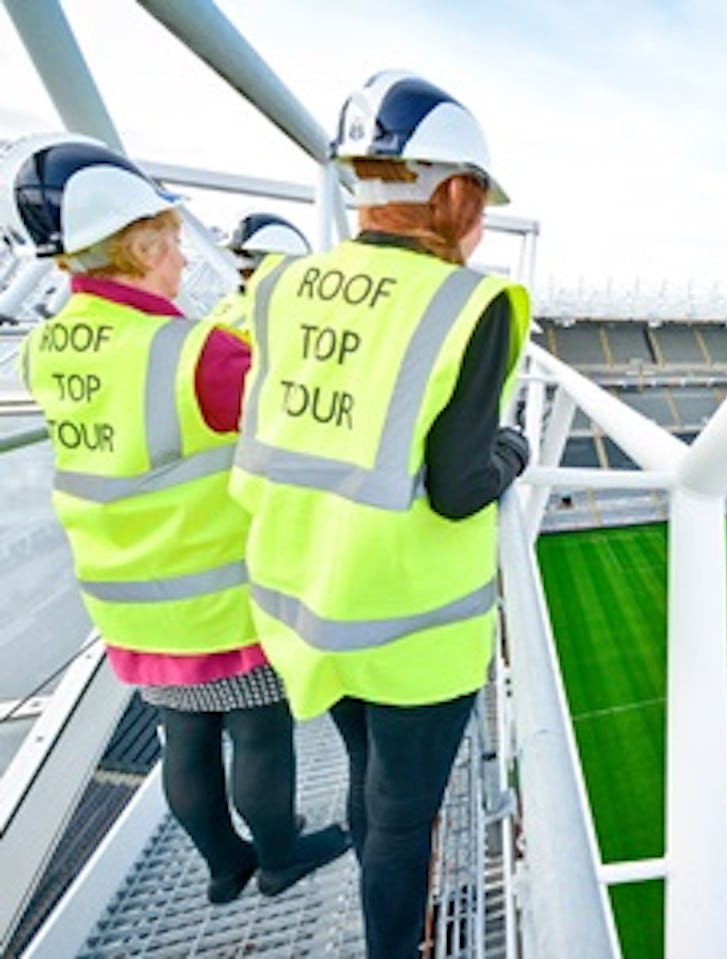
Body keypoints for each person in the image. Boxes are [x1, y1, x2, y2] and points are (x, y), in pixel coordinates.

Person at [229, 71, 531, 957]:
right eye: (477, 200)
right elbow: (460, 482)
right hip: (410, 630)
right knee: (402, 821)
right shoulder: (471, 304)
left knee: (367, 781)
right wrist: (512, 450)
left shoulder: (280, 287)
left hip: (302, 604)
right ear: (450, 193)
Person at [1, 133, 349, 904]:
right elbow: (300, 428)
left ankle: (227, 869)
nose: (186, 260)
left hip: (124, 596)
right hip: (219, 598)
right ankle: (281, 857)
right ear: (139, 245)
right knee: (259, 735)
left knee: (184, 742)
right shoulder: (197, 353)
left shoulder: (43, 351)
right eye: (171, 242)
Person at [205, 213, 310, 335]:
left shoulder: (295, 316)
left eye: (247, 255)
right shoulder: (230, 303)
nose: (241, 263)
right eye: (237, 254)